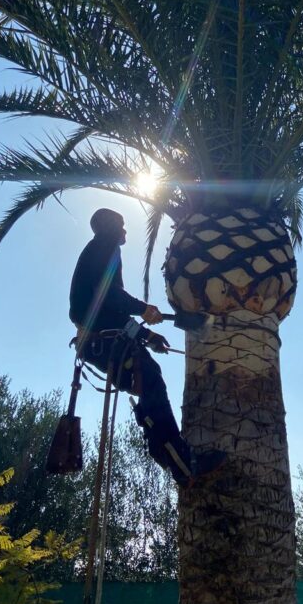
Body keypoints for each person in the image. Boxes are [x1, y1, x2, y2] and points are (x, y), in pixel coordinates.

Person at [69, 208, 225, 487]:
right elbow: (111, 297)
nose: (125, 231)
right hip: (103, 340)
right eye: (121, 224)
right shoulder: (105, 247)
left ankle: (165, 448)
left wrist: (148, 336)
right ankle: (182, 461)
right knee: (151, 381)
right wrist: (143, 309)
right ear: (109, 227)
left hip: (98, 341)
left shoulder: (97, 252)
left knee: (148, 382)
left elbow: (107, 310)